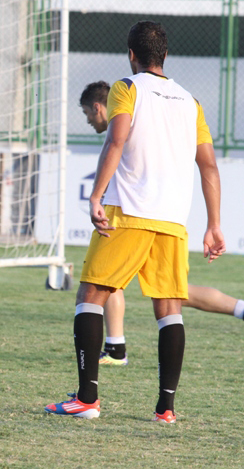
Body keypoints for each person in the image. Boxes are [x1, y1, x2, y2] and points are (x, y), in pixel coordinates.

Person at [46, 21, 225, 422]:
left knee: (91, 296)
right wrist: (214, 224)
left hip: (128, 211)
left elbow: (117, 138)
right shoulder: (189, 100)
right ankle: (166, 408)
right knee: (169, 309)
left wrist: (95, 194)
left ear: (131, 54)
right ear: (164, 55)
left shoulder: (127, 88)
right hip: (173, 220)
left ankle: (87, 398)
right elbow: (209, 165)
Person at [79, 81, 244, 365]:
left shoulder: (129, 112)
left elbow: (117, 145)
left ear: (98, 107)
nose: (88, 120)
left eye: (87, 114)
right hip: (166, 218)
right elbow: (207, 164)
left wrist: (97, 196)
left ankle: (117, 351)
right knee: (171, 295)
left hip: (138, 216)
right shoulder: (182, 106)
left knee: (115, 286)